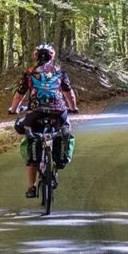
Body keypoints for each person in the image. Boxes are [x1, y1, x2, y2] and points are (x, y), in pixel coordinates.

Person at [8, 43, 79, 198]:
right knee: (64, 131)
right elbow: (69, 94)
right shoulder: (60, 72)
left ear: (36, 56)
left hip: (35, 113)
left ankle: (31, 187)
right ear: (52, 56)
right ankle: (59, 161)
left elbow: (20, 94)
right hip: (58, 112)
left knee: (31, 140)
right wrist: (73, 108)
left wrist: (13, 110)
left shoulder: (30, 73)